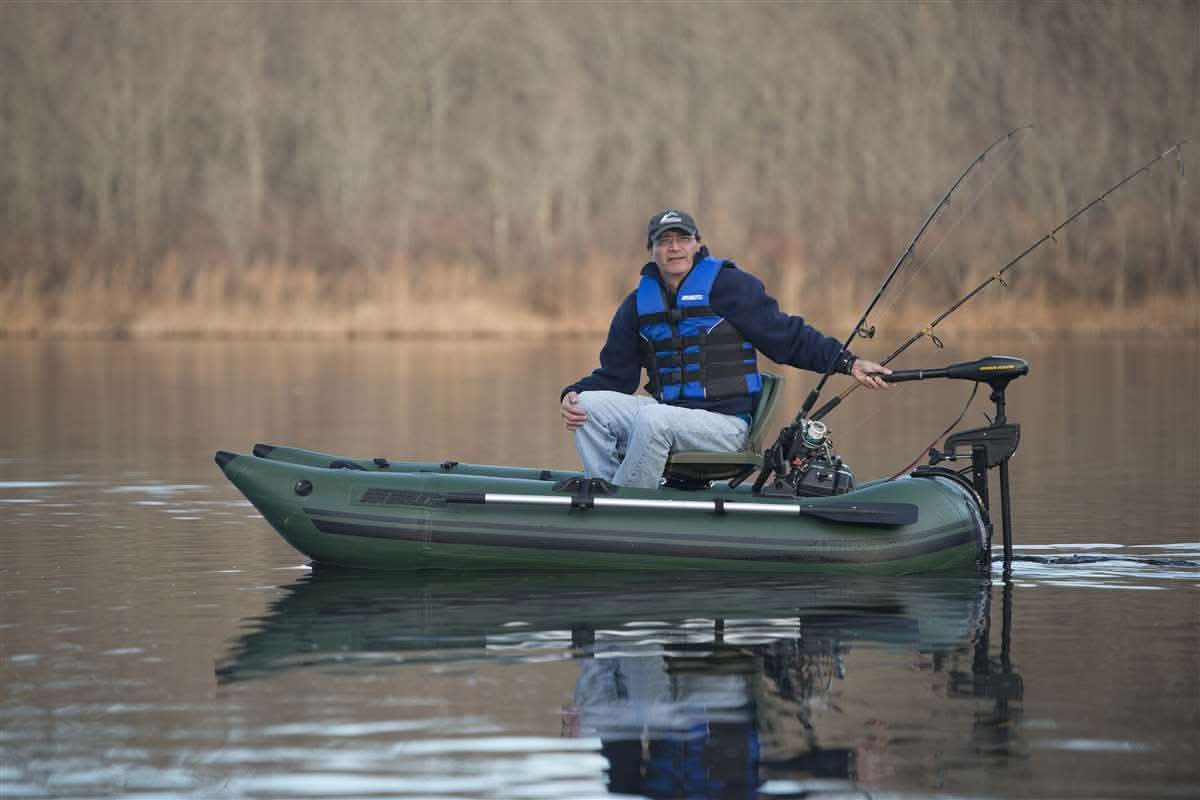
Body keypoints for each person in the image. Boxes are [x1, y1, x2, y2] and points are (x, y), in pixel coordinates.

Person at [559, 208, 892, 489]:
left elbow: (786, 337)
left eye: (682, 239)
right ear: (651, 250)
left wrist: (848, 363)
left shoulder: (729, 286)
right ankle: (604, 492)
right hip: (664, 418)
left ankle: (627, 510)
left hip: (724, 426)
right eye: (664, 241)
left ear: (697, 244)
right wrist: (572, 394)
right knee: (589, 405)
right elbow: (617, 377)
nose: (674, 248)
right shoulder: (636, 306)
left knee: (652, 416)